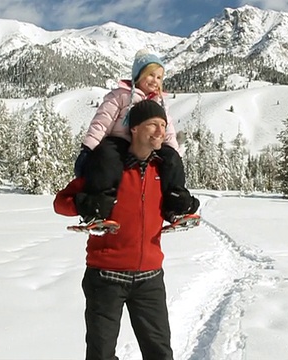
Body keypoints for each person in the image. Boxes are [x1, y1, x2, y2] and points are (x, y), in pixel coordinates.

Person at [54, 100, 200, 360]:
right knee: (100, 355)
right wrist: (86, 203)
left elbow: (176, 204)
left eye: (163, 125)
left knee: (160, 354)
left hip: (150, 279)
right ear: (133, 129)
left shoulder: (162, 171)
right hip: (106, 277)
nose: (159, 132)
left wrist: (185, 204)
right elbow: (60, 203)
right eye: (153, 124)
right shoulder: (109, 168)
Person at [74, 49, 183, 223]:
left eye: (159, 77)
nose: (155, 81)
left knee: (170, 157)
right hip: (120, 142)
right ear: (138, 75)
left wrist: (174, 153)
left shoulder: (160, 102)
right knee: (107, 154)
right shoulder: (121, 96)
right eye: (150, 75)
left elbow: (167, 130)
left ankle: (176, 206)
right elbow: (102, 122)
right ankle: (98, 208)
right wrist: (88, 149)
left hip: (148, 146)